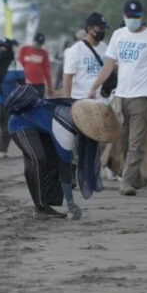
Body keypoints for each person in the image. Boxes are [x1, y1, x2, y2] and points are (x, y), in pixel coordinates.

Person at [90, 0, 147, 196]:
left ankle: (126, 182)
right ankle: (134, 177)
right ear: (124, 16)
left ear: (142, 16)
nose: (133, 19)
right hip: (121, 95)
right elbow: (109, 64)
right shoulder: (118, 35)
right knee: (122, 141)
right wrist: (95, 85)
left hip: (143, 96)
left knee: (136, 142)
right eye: (129, 16)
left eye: (136, 16)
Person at [6, 85, 100, 220]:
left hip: (41, 127)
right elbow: (65, 167)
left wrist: (70, 203)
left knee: (53, 161)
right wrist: (71, 203)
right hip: (20, 124)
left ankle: (48, 202)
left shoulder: (74, 112)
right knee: (38, 160)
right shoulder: (67, 127)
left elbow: (63, 165)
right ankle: (41, 208)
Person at [63, 12, 110, 100]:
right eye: (100, 28)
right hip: (81, 99)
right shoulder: (76, 49)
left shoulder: (105, 47)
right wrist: (67, 101)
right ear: (89, 29)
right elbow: (68, 77)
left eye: (104, 28)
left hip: (102, 100)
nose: (102, 31)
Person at [19, 32, 54, 98]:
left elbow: (47, 70)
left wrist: (50, 86)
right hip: (26, 83)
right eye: (37, 43)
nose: (39, 46)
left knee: (39, 102)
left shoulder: (44, 53)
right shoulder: (24, 50)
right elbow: (20, 65)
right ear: (33, 41)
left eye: (40, 44)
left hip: (39, 84)